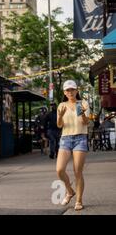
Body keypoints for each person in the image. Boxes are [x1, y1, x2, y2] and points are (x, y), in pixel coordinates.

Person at [56, 80, 90, 211]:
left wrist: (81, 113)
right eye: (67, 90)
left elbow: (86, 122)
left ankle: (79, 200)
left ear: (77, 91)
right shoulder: (61, 105)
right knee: (59, 170)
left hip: (80, 138)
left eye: (72, 90)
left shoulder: (83, 103)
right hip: (65, 139)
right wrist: (61, 115)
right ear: (64, 92)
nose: (70, 92)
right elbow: (59, 125)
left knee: (77, 172)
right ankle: (70, 191)